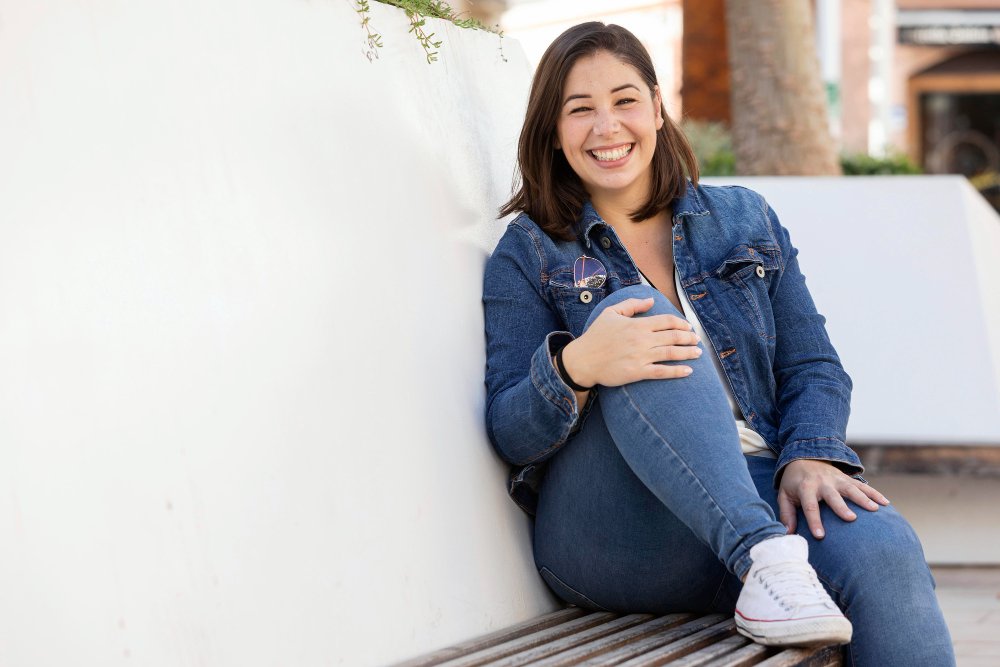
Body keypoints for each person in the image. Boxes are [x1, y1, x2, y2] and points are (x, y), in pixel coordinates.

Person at [482, 21, 955, 665]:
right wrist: (576, 366)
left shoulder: (743, 219)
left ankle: (767, 561)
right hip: (619, 530)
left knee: (886, 552)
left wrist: (811, 455)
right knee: (632, 315)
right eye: (579, 109)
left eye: (624, 101)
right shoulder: (532, 250)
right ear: (552, 129)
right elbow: (510, 431)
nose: (606, 127)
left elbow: (813, 365)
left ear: (656, 105)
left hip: (760, 485)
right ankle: (763, 555)